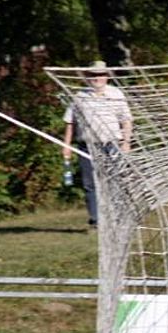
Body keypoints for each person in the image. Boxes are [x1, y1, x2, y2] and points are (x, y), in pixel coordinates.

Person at [61, 60, 133, 229]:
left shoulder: (116, 94)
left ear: (107, 76)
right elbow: (70, 122)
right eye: (93, 75)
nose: (97, 78)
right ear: (87, 77)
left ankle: (118, 217)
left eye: (100, 74)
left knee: (116, 181)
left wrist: (126, 142)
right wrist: (66, 146)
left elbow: (126, 120)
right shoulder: (80, 96)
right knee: (90, 183)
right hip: (87, 145)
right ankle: (96, 219)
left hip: (112, 144)